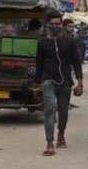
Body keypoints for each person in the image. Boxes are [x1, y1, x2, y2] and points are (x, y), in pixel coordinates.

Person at [35, 14, 84, 156]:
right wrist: (37, 83)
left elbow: (76, 62)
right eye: (53, 24)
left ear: (61, 25)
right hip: (48, 80)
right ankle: (49, 143)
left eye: (58, 24)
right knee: (49, 109)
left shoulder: (70, 42)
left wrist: (80, 82)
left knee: (63, 111)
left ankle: (61, 133)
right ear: (48, 25)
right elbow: (39, 64)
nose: (55, 26)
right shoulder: (42, 43)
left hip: (65, 81)